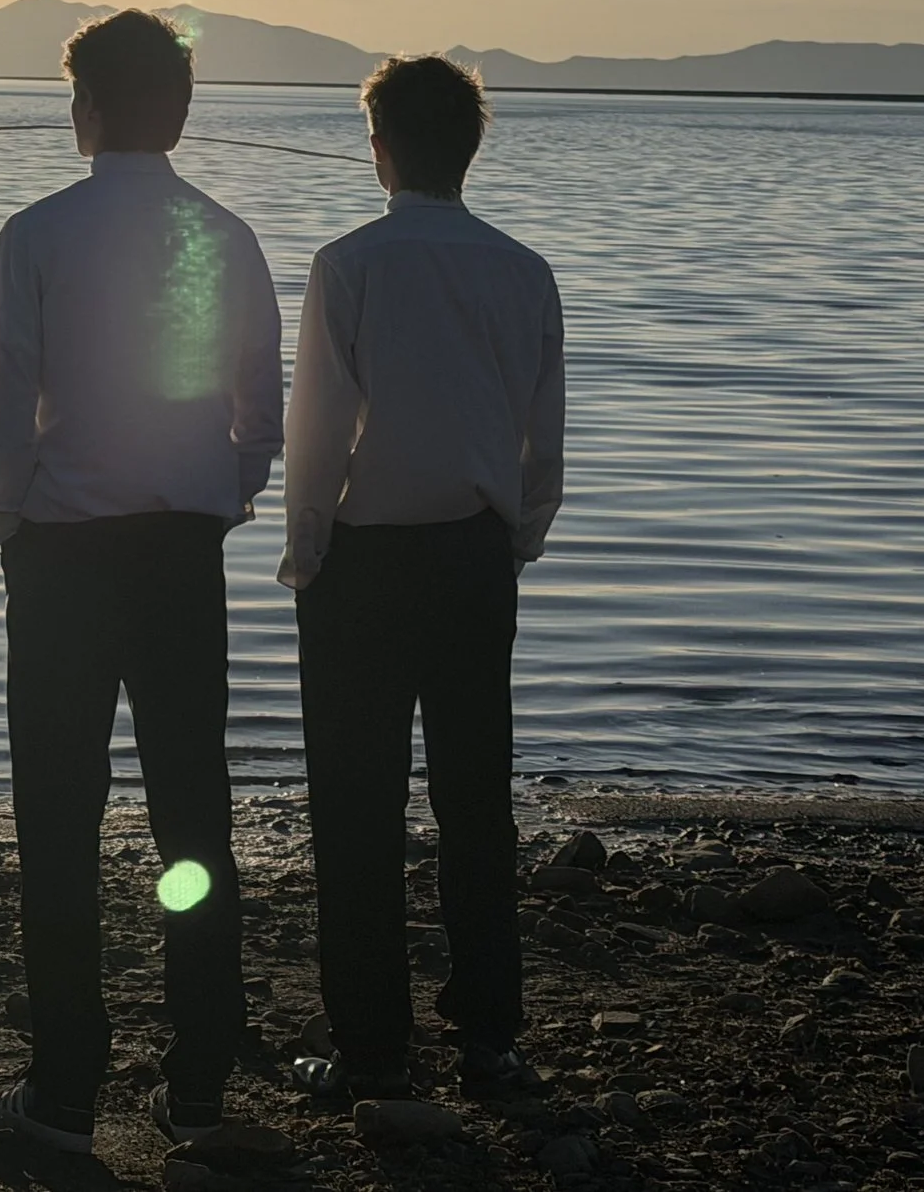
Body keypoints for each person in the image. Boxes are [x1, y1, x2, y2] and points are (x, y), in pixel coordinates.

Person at [0, 9, 283, 1152]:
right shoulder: (226, 235)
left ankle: (64, 1087)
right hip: (180, 554)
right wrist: (223, 491)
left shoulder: (36, 235)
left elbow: (2, 407)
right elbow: (261, 415)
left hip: (60, 555)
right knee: (190, 813)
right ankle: (197, 1077)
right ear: (182, 110)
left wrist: (12, 516)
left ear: (87, 109)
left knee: (59, 819)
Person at [279, 53, 565, 1105]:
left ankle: (371, 1051)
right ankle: (488, 1037)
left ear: (378, 148)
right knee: (474, 796)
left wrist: (307, 550)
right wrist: (516, 540)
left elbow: (316, 434)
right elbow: (544, 439)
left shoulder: (347, 265)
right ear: (468, 149)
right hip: (475, 556)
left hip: (363, 558)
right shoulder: (522, 270)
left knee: (355, 805)